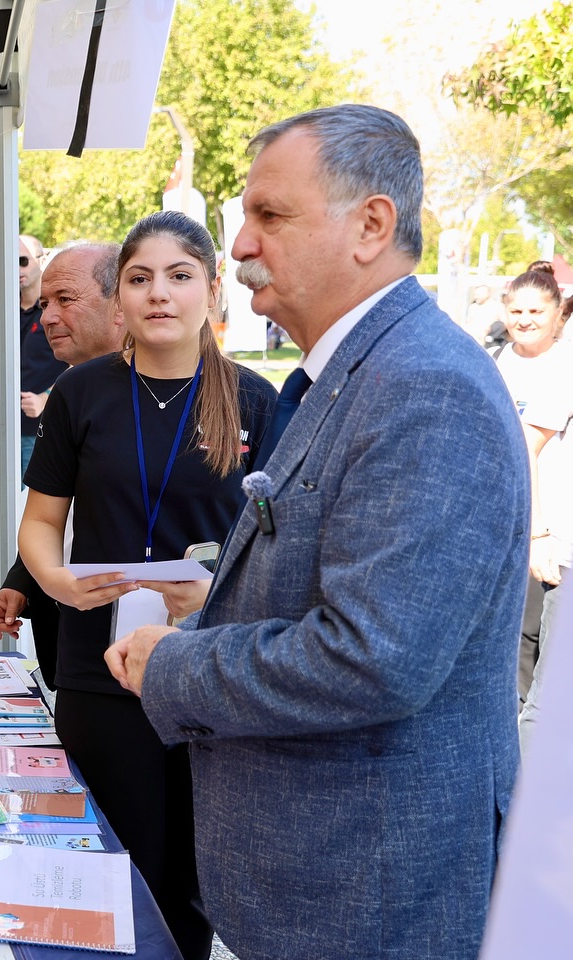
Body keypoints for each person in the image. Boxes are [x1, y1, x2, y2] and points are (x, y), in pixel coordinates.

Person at [105, 105, 529, 960]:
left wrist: (178, 660)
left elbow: (371, 656)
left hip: (369, 898)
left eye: (269, 215)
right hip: (328, 887)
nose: (243, 244)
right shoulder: (366, 368)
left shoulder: (421, 387)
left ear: (371, 224)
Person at [20, 215, 274, 960]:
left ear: (210, 289)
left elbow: (281, 546)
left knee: (191, 881)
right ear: (121, 297)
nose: (159, 293)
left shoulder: (253, 401)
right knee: (105, 871)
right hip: (98, 664)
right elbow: (39, 524)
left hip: (207, 668)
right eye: (140, 278)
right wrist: (60, 584)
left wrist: (220, 595)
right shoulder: (81, 393)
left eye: (179, 275)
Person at [0, 241, 124, 687]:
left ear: (120, 301)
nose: (47, 317)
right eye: (45, 303)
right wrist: (23, 580)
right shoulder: (69, 390)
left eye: (65, 300)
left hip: (129, 651)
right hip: (72, 654)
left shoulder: (163, 391)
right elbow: (51, 514)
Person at [491, 267, 568, 705]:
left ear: (557, 312)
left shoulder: (563, 364)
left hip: (546, 522)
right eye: (516, 310)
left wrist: (539, 533)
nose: (525, 319)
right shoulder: (496, 360)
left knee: (538, 636)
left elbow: (530, 447)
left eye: (536, 310)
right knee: (511, 633)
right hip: (500, 517)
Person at [17, 236, 61, 476]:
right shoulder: (2, 309)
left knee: (27, 508)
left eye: (23, 261)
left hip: (39, 430)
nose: (17, 269)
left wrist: (46, 397)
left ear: (40, 260)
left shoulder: (57, 309)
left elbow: (82, 361)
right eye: (10, 262)